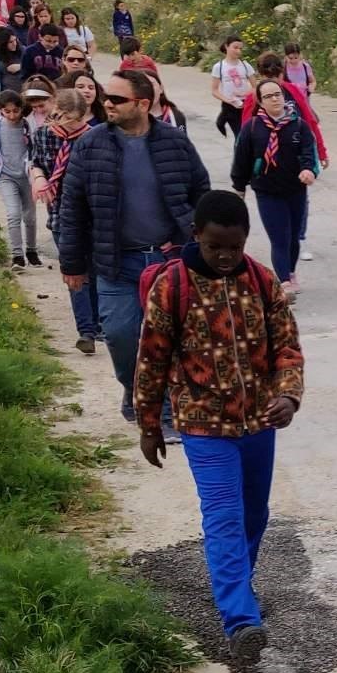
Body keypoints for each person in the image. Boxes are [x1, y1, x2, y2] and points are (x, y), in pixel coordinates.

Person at [133, 190, 304, 670]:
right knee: (224, 518)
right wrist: (149, 423)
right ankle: (240, 621)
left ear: (246, 240)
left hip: (258, 425)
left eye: (234, 247)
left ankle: (238, 590)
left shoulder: (262, 280)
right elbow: (151, 358)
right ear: (196, 238)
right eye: (215, 248)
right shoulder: (172, 287)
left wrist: (288, 396)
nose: (226, 257)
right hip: (203, 425)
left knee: (255, 515)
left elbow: (287, 346)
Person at [57, 67, 214, 423]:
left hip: (169, 260)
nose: (105, 103)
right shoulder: (90, 145)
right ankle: (134, 386)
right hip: (116, 262)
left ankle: (165, 410)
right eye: (105, 96)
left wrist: (202, 243)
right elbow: (72, 207)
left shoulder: (174, 141)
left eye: (116, 98)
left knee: (172, 340)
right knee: (120, 336)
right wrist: (72, 263)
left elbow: (200, 192)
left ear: (143, 104)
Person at [229, 79, 320, 293]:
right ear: (260, 102)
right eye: (269, 96)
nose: (275, 99)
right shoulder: (252, 128)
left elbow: (308, 151)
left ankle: (290, 271)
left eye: (278, 94)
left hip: (295, 189)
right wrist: (239, 186)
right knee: (280, 236)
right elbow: (241, 159)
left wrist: (308, 169)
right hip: (267, 191)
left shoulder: (298, 125)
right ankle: (283, 280)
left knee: (294, 236)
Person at [30, 87, 101, 354]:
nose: (69, 125)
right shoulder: (45, 135)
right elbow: (36, 161)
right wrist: (38, 177)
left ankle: (96, 323)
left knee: (94, 270)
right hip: (60, 215)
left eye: (75, 120)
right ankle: (86, 331)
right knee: (74, 272)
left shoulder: (95, 139)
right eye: (63, 118)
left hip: (92, 216)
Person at [0, 91, 40, 267]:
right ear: (0, 110)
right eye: (6, 111)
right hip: (6, 176)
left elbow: (35, 148)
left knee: (30, 216)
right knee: (13, 214)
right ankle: (17, 255)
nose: (11, 115)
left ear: (21, 109)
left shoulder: (27, 125)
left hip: (26, 176)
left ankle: (31, 250)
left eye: (15, 111)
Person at [210, 36, 253, 138]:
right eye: (235, 47)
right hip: (229, 105)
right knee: (239, 135)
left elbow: (255, 87)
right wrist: (228, 100)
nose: (238, 51)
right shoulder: (219, 67)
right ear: (227, 47)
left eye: (240, 48)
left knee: (246, 134)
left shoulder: (246, 65)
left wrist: (244, 94)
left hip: (245, 104)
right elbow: (214, 90)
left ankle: (221, 119)